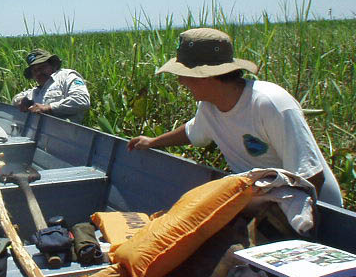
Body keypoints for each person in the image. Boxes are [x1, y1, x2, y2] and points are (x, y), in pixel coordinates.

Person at [127, 28, 343, 207]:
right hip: (261, 202)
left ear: (207, 75)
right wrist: (153, 142)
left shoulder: (269, 104)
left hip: (312, 206)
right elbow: (193, 132)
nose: (180, 82)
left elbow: (310, 176)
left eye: (183, 75)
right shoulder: (209, 106)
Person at [12, 48, 90, 123]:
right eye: (35, 70)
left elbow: (82, 100)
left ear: (53, 65)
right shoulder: (35, 91)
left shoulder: (66, 76)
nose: (38, 73)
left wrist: (49, 108)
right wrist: (21, 100)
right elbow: (16, 99)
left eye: (42, 67)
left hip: (66, 134)